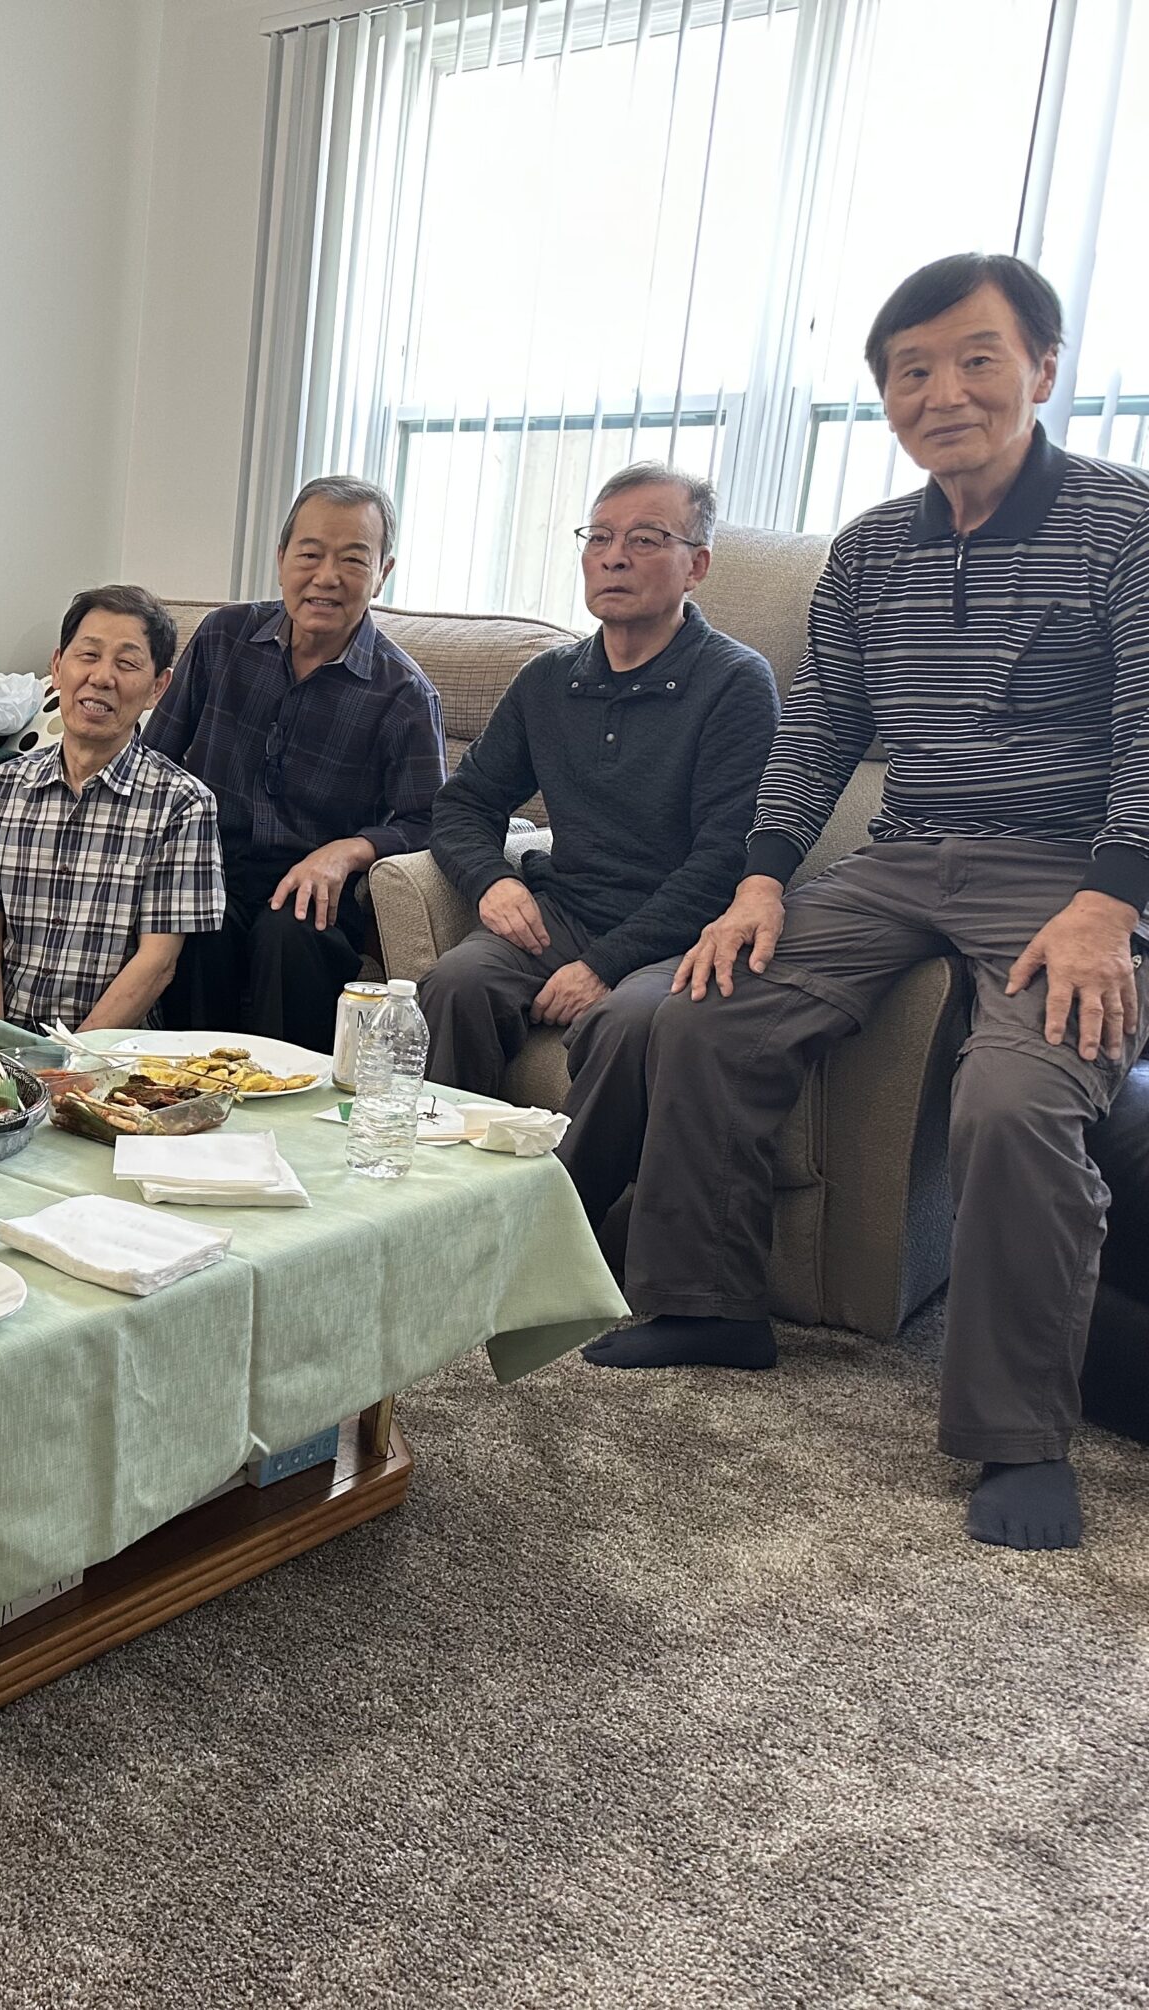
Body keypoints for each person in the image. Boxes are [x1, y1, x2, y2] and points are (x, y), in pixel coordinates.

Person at [568, 254, 1149, 1553]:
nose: (944, 391)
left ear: (1043, 370)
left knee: (1016, 1100)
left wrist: (1111, 904)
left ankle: (1017, 1435)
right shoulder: (872, 550)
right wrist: (759, 878)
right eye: (911, 370)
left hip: (1067, 869)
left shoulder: (1125, 524)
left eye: (977, 359)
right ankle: (708, 1303)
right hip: (901, 856)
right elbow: (821, 729)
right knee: (701, 1010)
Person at [417, 465, 779, 1211]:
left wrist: (603, 966)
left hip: (684, 933)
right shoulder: (548, 680)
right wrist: (493, 880)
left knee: (626, 1023)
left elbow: (726, 859)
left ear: (696, 566)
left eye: (645, 539)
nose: (613, 558)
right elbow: (464, 805)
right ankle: (441, 1209)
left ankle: (554, 1231)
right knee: (457, 982)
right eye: (600, 537)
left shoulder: (735, 682)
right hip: (568, 910)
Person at [143, 476, 446, 1050]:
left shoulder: (403, 693)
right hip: (209, 863)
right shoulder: (223, 637)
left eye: (353, 559)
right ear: (282, 557)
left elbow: (430, 820)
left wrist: (347, 851)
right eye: (310, 554)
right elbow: (154, 761)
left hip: (314, 890)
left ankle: (285, 1098)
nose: (326, 577)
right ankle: (185, 1088)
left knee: (290, 934)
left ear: (382, 572)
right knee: (200, 920)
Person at [0, 585, 224, 1032]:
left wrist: (70, 1061)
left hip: (112, 1056)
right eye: (88, 655)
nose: (101, 677)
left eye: (127, 663)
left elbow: (158, 962)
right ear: (58, 667)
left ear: (158, 687)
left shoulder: (183, 805)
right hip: (1, 1051)